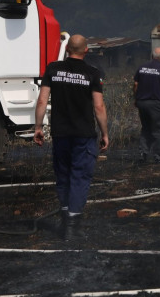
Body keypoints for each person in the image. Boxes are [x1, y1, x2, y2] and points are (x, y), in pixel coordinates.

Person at [34, 34, 109, 241]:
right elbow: (99, 106)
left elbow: (42, 101)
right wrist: (104, 133)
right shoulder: (93, 73)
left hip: (60, 134)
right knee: (80, 177)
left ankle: (65, 221)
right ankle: (71, 228)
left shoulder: (53, 69)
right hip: (83, 135)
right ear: (86, 50)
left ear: (67, 48)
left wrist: (38, 127)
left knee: (63, 176)